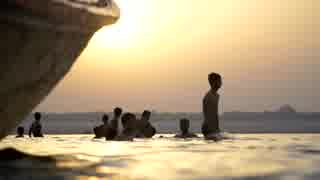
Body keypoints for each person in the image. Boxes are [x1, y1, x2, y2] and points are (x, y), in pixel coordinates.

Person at [202, 72, 222, 140]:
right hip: (208, 127)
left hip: (214, 126)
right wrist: (213, 128)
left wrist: (217, 128)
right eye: (219, 81)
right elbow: (207, 114)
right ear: (214, 82)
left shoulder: (216, 96)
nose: (221, 83)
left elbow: (215, 114)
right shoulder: (208, 96)